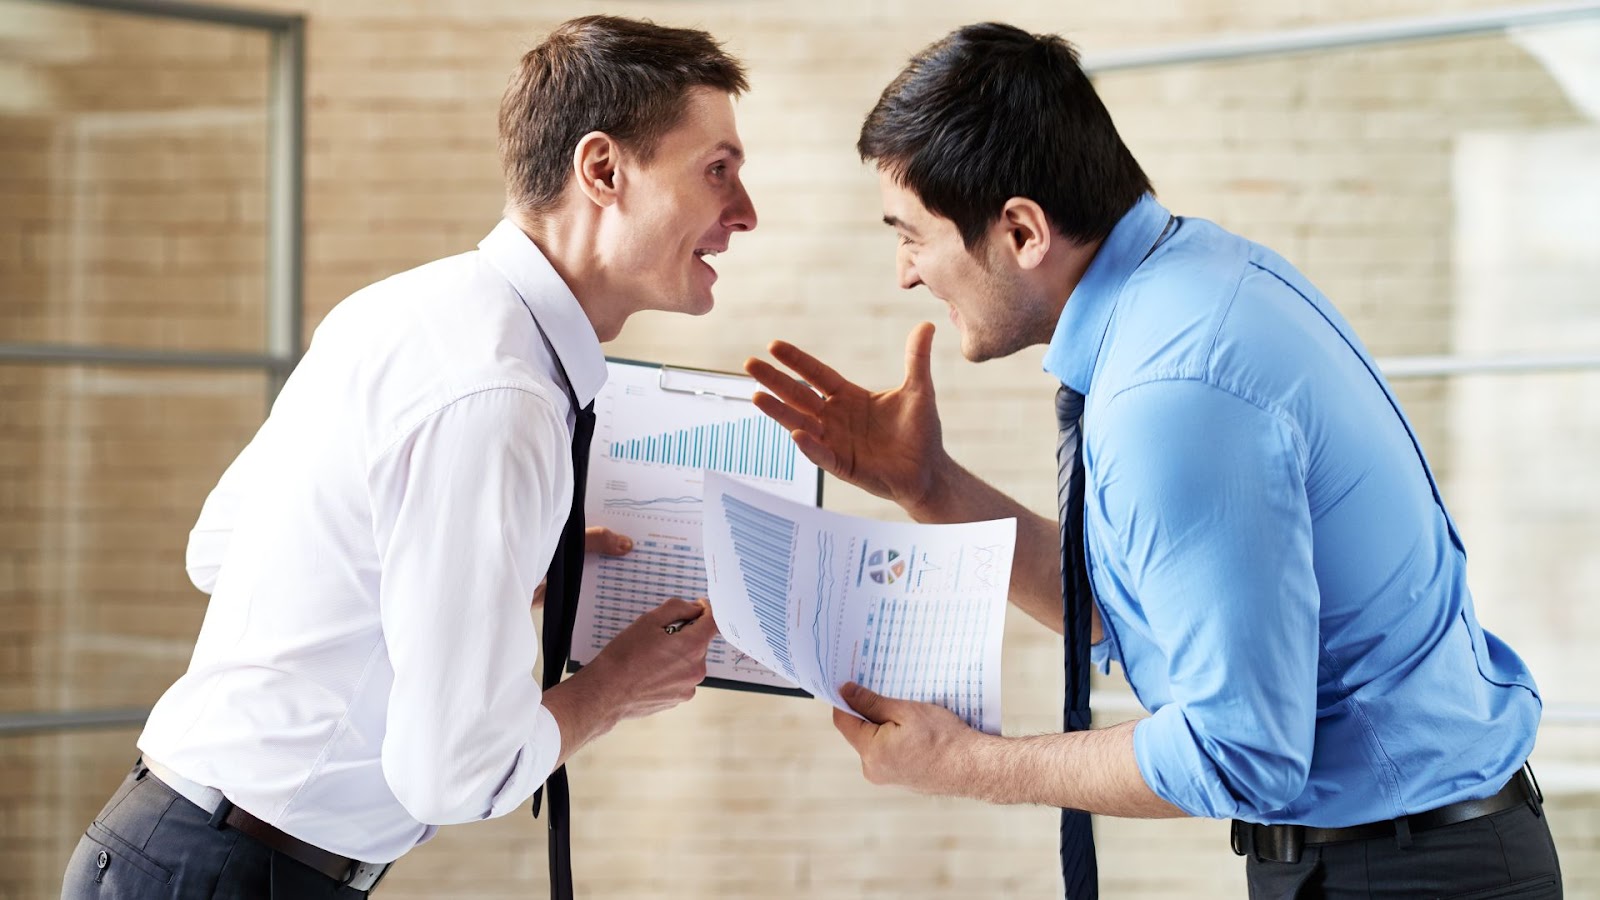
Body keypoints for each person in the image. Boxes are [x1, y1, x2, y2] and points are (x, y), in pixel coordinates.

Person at [745, 22, 1560, 899]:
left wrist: (963, 764)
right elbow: (1140, 613)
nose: (906, 273)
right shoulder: (1191, 279)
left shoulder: (1173, 395)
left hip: (1402, 872)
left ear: (1021, 229)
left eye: (912, 235)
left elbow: (1242, 754)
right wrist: (928, 487)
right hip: (1396, 852)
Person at [63, 15, 756, 899]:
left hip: (178, 849)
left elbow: (223, 548)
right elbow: (453, 774)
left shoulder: (404, 308)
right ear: (603, 171)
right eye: (718, 171)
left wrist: (474, 573)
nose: (746, 212)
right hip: (233, 873)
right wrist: (613, 688)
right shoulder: (500, 396)